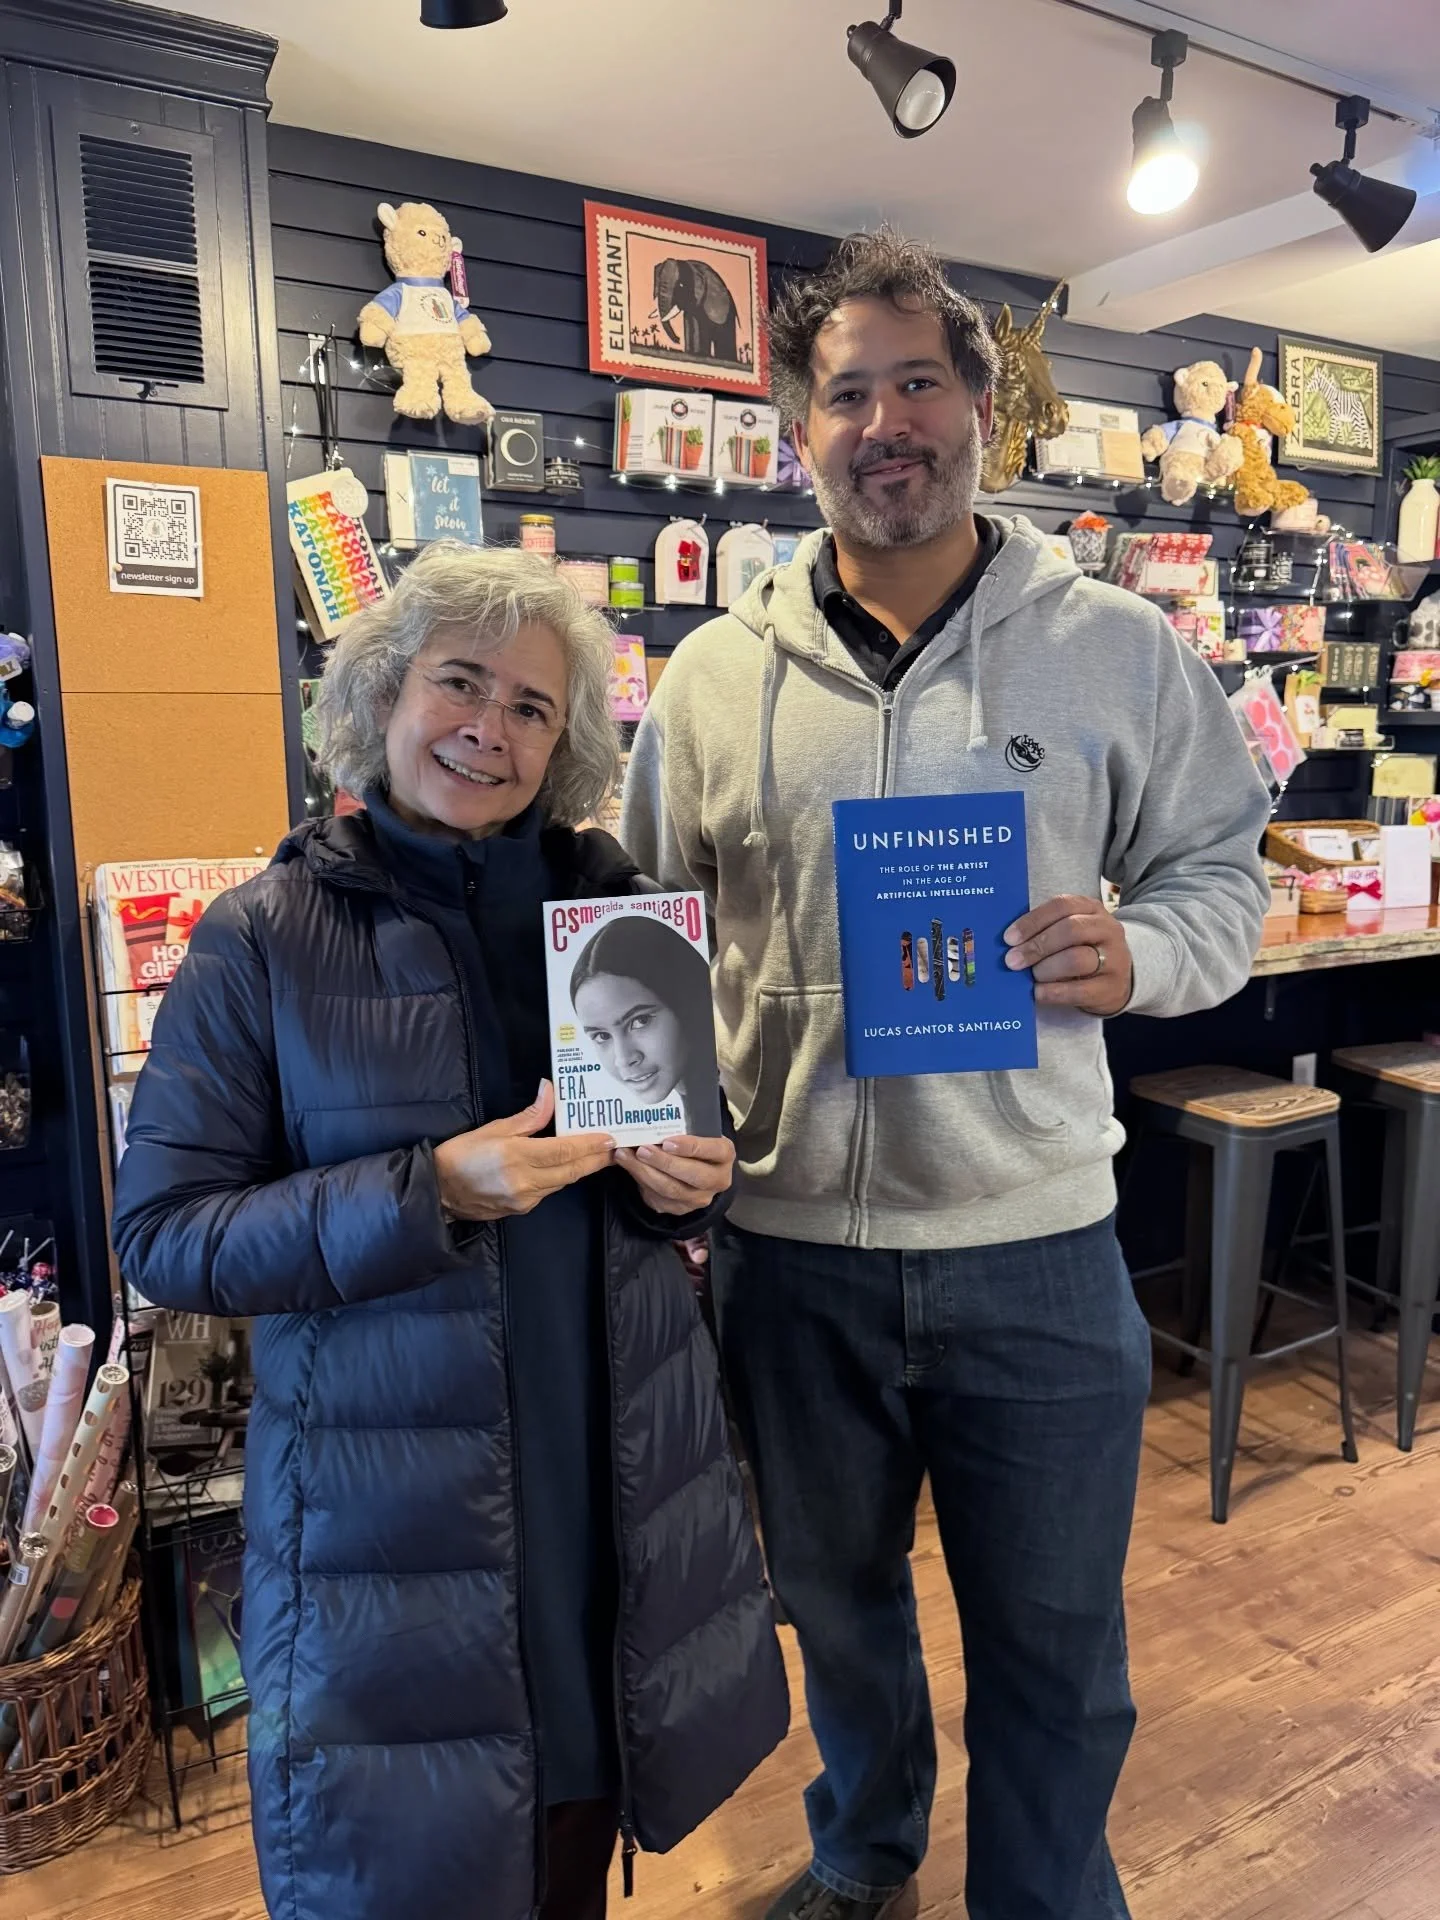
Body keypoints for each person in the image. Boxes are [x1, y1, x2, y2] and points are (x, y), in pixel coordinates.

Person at [621, 231, 1271, 1920]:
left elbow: (1221, 869)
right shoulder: (708, 676)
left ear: (985, 408)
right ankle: (867, 1857)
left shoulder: (1121, 649)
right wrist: (650, 1119)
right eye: (848, 391)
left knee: (1058, 1649)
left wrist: (1145, 954)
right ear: (797, 428)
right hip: (792, 1263)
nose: (886, 420)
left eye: (921, 380)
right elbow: (644, 925)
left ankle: (1046, 1899)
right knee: (836, 1614)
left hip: (1040, 1252)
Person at [111, 545, 788, 1920]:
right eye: (460, 683)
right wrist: (433, 1194)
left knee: (575, 1835)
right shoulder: (265, 937)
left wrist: (697, 1184)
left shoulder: (620, 916)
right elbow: (167, 1235)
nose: (491, 727)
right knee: (411, 1859)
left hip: (613, 1492)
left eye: (533, 706)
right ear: (382, 695)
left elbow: (681, 1161)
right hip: (392, 1518)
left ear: (569, 741)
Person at [570, 914, 716, 1133]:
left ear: (685, 1004)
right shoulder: (696, 1110)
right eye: (601, 1036)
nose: (623, 1059)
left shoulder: (734, 1104)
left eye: (640, 1021)